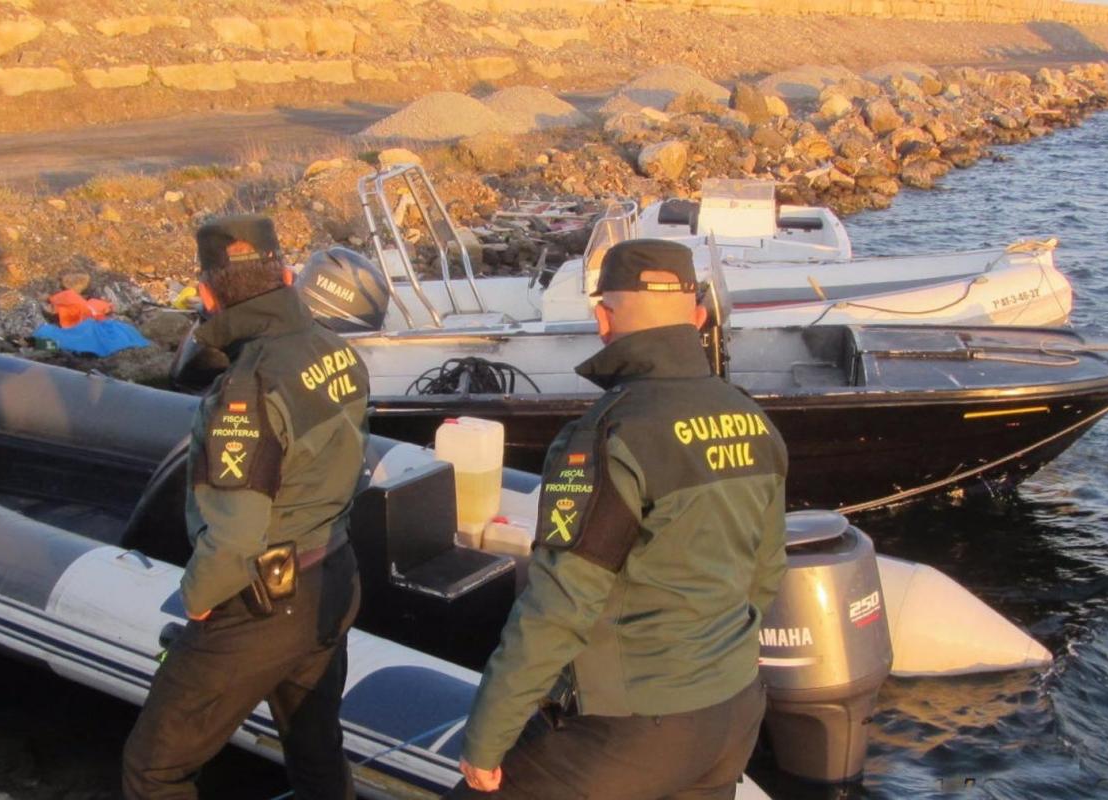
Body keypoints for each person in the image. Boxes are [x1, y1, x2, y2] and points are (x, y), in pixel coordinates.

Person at [451, 239, 788, 799]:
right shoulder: (753, 420)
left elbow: (559, 605)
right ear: (697, 316)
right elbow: (765, 573)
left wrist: (487, 738)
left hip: (633, 727)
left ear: (603, 318)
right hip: (732, 714)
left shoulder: (610, 436)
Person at [123, 214, 370, 799]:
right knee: (315, 747)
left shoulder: (246, 389)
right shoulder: (336, 350)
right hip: (333, 573)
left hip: (261, 602)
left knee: (154, 768)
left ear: (206, 294)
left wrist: (199, 600)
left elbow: (235, 536)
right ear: (285, 275)